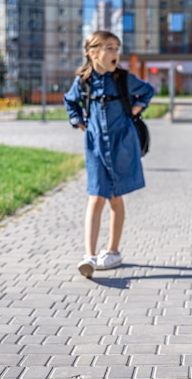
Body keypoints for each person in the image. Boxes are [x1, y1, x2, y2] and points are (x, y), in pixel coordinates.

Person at [63, 30, 154, 277]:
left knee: (115, 197)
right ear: (93, 53)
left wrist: (135, 110)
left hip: (121, 143)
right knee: (96, 196)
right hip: (95, 146)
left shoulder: (123, 78)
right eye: (109, 48)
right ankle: (89, 256)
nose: (115, 53)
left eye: (117, 48)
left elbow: (147, 91)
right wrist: (78, 121)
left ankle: (113, 251)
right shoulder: (83, 81)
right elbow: (70, 102)